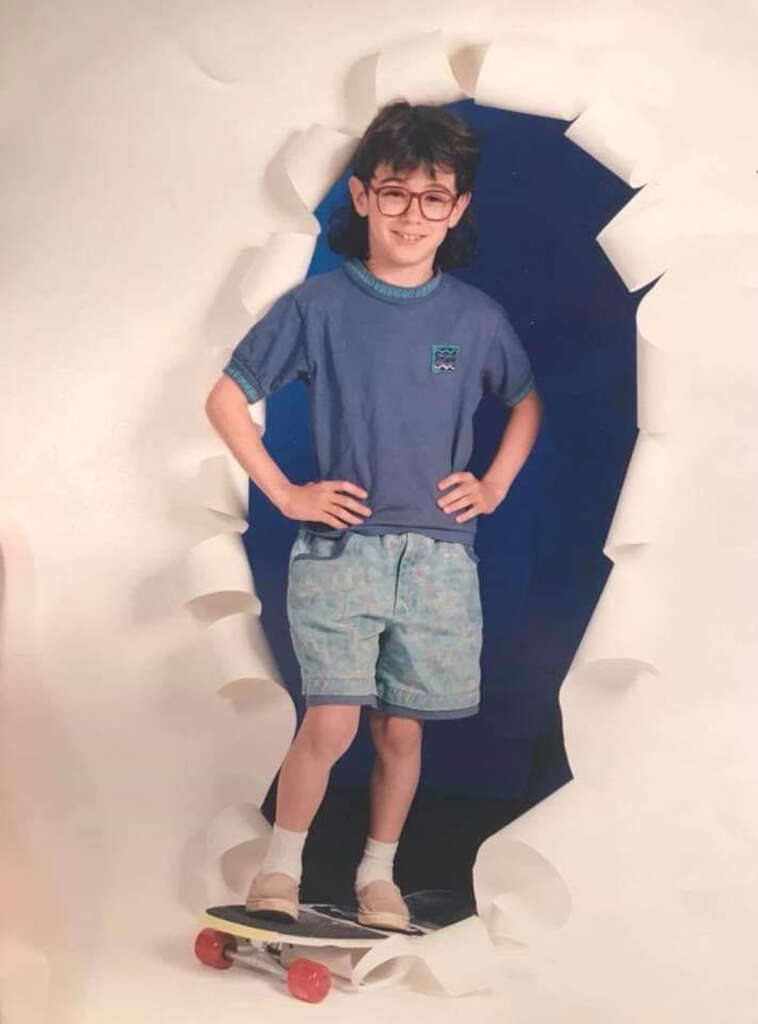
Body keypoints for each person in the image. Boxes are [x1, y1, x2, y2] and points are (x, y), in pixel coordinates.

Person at [204, 100, 543, 932]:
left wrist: (492, 485)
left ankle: (377, 879)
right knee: (330, 719)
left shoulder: (475, 319)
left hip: (438, 561)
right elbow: (225, 397)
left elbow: (526, 403)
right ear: (360, 197)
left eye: (433, 198)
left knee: (401, 733)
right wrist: (286, 494)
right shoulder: (319, 306)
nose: (412, 215)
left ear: (457, 208)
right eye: (394, 194)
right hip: (340, 551)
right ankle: (278, 872)